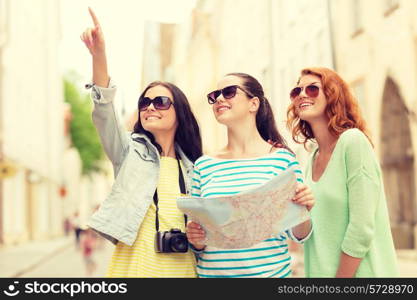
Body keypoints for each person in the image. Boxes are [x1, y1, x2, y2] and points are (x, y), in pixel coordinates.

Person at [80, 7, 202, 277]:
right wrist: (99, 55)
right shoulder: (129, 152)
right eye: (144, 102)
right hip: (135, 267)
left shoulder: (195, 167)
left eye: (160, 102)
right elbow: (104, 113)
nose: (150, 107)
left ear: (179, 112)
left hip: (182, 269)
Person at [186, 73, 314, 278]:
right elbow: (199, 245)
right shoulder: (203, 165)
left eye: (228, 92)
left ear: (253, 103)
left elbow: (299, 235)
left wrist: (303, 209)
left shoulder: (282, 160)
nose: (219, 99)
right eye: (214, 96)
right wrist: (197, 240)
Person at [286, 67, 398, 277]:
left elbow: (361, 228)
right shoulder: (311, 159)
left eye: (312, 89)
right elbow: (308, 233)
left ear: (332, 95)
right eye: (296, 91)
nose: (302, 94)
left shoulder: (353, 142)